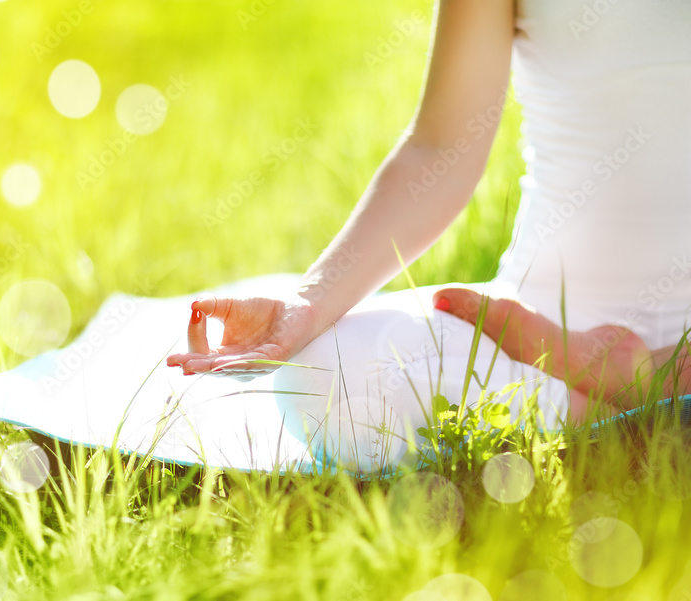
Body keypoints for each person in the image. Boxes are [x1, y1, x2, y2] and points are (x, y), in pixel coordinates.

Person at [166, 0, 691, 472]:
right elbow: (440, 149)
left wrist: (664, 371)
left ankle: (635, 404)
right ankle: (627, 418)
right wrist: (305, 305)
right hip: (530, 335)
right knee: (329, 380)